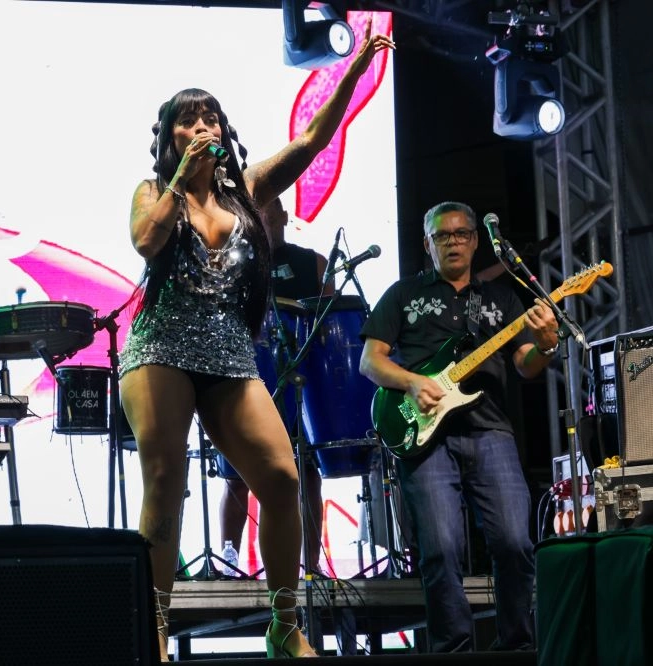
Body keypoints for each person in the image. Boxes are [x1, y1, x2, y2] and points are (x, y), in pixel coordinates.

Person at [119, 24, 394, 660]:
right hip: (160, 347)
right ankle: (154, 628)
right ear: (169, 138)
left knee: (281, 475)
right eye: (188, 120)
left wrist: (352, 72)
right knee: (164, 479)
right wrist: (181, 180)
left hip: (228, 355)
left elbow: (311, 140)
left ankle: (283, 625)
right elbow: (146, 242)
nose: (202, 126)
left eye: (211, 117)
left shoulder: (245, 193)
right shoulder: (153, 192)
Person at [358, 201, 558, 652]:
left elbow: (525, 364)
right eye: (442, 236)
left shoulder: (501, 299)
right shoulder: (403, 294)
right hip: (425, 437)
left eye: (461, 234)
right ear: (427, 244)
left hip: (491, 430)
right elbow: (370, 361)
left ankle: (517, 647)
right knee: (440, 549)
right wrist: (412, 382)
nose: (453, 242)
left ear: (475, 241)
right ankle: (452, 652)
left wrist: (546, 345)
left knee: (515, 541)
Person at [217, 198, 329, 575]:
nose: (263, 217)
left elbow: (331, 321)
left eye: (269, 210)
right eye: (256, 210)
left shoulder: (312, 263)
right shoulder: (231, 263)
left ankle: (310, 564)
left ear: (283, 216)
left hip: (301, 383)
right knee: (237, 474)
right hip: (246, 379)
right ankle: (229, 561)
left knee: (307, 472)